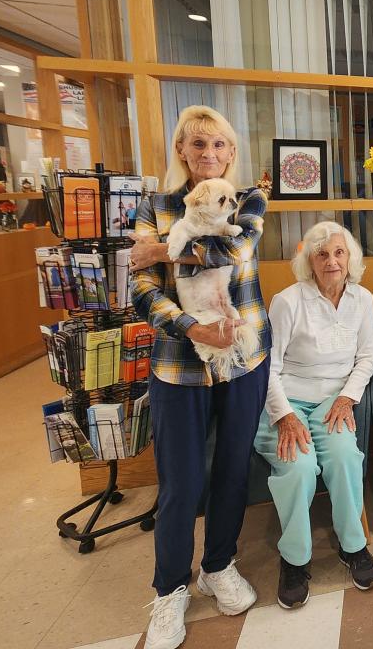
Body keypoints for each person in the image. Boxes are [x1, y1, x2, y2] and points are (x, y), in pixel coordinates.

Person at [130, 105, 271, 649]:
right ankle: (169, 591)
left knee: (233, 470)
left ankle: (218, 565)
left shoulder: (249, 200)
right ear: (182, 152)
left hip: (244, 355)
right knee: (182, 482)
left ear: (231, 152)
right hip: (178, 363)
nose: (209, 155)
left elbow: (236, 248)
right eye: (197, 145)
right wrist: (190, 327)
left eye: (219, 145)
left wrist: (163, 251)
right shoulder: (156, 206)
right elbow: (141, 290)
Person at [254, 221, 373, 609]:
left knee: (344, 457)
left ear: (350, 259)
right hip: (286, 400)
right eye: (322, 254)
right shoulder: (288, 301)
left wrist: (347, 397)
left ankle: (353, 546)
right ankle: (295, 559)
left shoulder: (362, 299)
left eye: (339, 253)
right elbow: (268, 367)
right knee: (298, 466)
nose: (332, 261)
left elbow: (367, 356)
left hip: (334, 400)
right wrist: (284, 416)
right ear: (309, 261)